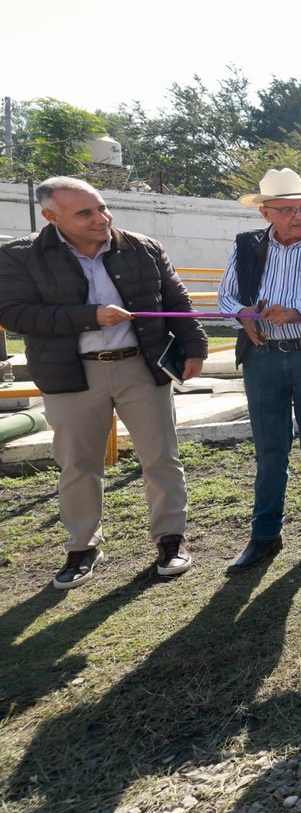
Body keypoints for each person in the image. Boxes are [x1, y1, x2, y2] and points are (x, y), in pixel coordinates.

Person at [0, 176, 207, 588]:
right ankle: (82, 548)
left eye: (101, 207)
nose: (101, 218)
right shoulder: (20, 256)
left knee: (161, 457)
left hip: (141, 368)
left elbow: (176, 300)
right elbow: (15, 314)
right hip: (71, 372)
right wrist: (89, 315)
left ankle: (171, 540)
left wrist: (195, 346)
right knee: (78, 466)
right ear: (51, 216)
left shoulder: (142, 247)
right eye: (85, 213)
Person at [217, 168, 301, 569]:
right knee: (269, 448)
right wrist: (242, 313)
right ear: (266, 213)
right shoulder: (245, 246)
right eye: (289, 209)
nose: (300, 216)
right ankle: (264, 535)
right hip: (261, 356)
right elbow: (226, 297)